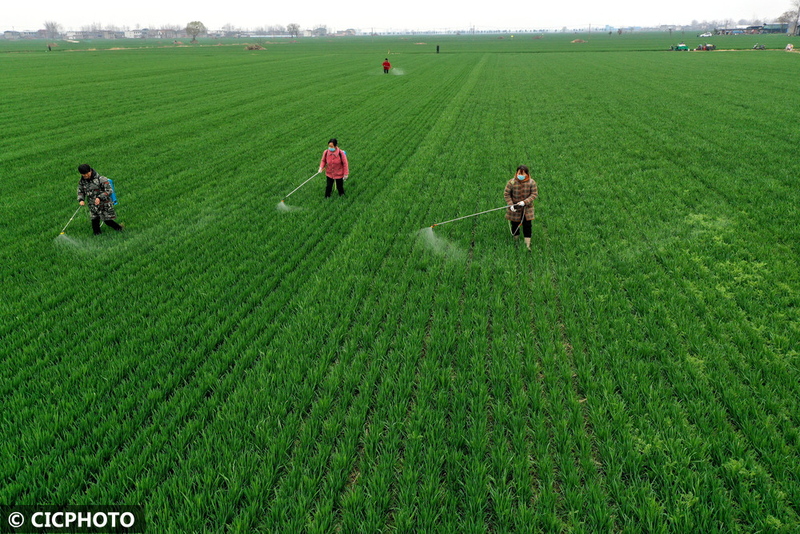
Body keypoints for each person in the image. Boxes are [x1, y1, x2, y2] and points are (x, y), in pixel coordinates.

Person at [76, 164, 124, 235]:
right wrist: (81, 200)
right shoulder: (82, 181)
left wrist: (99, 197)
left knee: (107, 221)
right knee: (94, 221)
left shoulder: (101, 179)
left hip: (104, 204)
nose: (85, 176)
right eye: (83, 175)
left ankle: (119, 228)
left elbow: (109, 190)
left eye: (86, 174)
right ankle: (97, 235)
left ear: (90, 171)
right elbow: (80, 191)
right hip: (92, 204)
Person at [504, 165, 538, 251]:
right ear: (516, 173)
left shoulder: (531, 182)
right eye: (519, 173)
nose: (520, 175)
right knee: (515, 225)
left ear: (527, 174)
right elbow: (507, 194)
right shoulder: (511, 182)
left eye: (522, 174)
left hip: (527, 209)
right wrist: (511, 204)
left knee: (527, 226)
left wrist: (525, 202)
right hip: (515, 208)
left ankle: (527, 246)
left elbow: (534, 194)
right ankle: (516, 242)